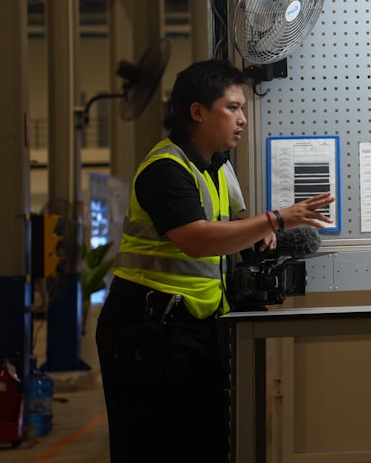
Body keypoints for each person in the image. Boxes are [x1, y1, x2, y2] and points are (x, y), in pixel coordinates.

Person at [95, 59, 334, 462]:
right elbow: (197, 240)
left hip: (195, 328)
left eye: (242, 108)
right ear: (197, 112)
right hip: (148, 328)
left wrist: (263, 235)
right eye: (232, 107)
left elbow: (234, 227)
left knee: (205, 445)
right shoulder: (165, 170)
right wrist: (275, 218)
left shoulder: (219, 168)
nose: (242, 119)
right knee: (151, 448)